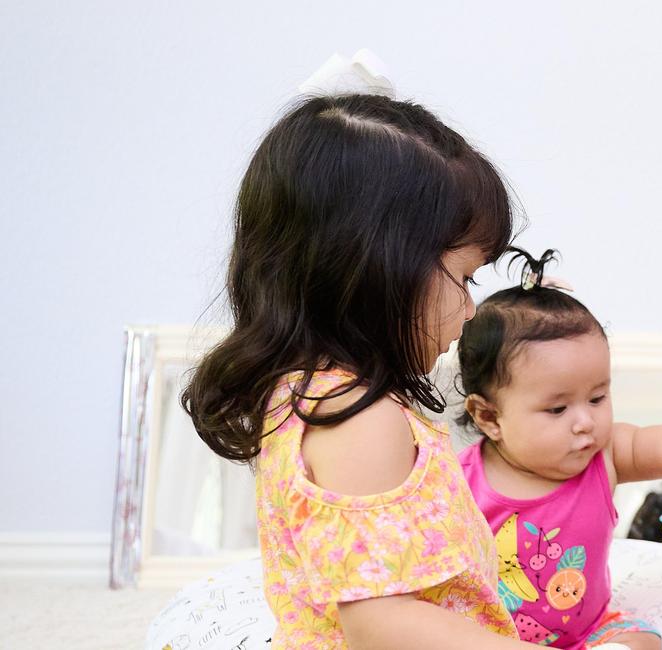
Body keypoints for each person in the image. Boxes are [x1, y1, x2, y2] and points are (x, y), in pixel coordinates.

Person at [182, 91, 529, 647]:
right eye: (464, 277)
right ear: (378, 267)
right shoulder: (356, 417)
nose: (469, 309)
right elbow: (381, 622)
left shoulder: (314, 391)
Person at [452, 249, 662, 649]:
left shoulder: (607, 453)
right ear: (489, 417)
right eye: (558, 408)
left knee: (640, 640)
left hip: (591, 632)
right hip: (496, 640)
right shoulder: (456, 483)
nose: (585, 421)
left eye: (597, 397)